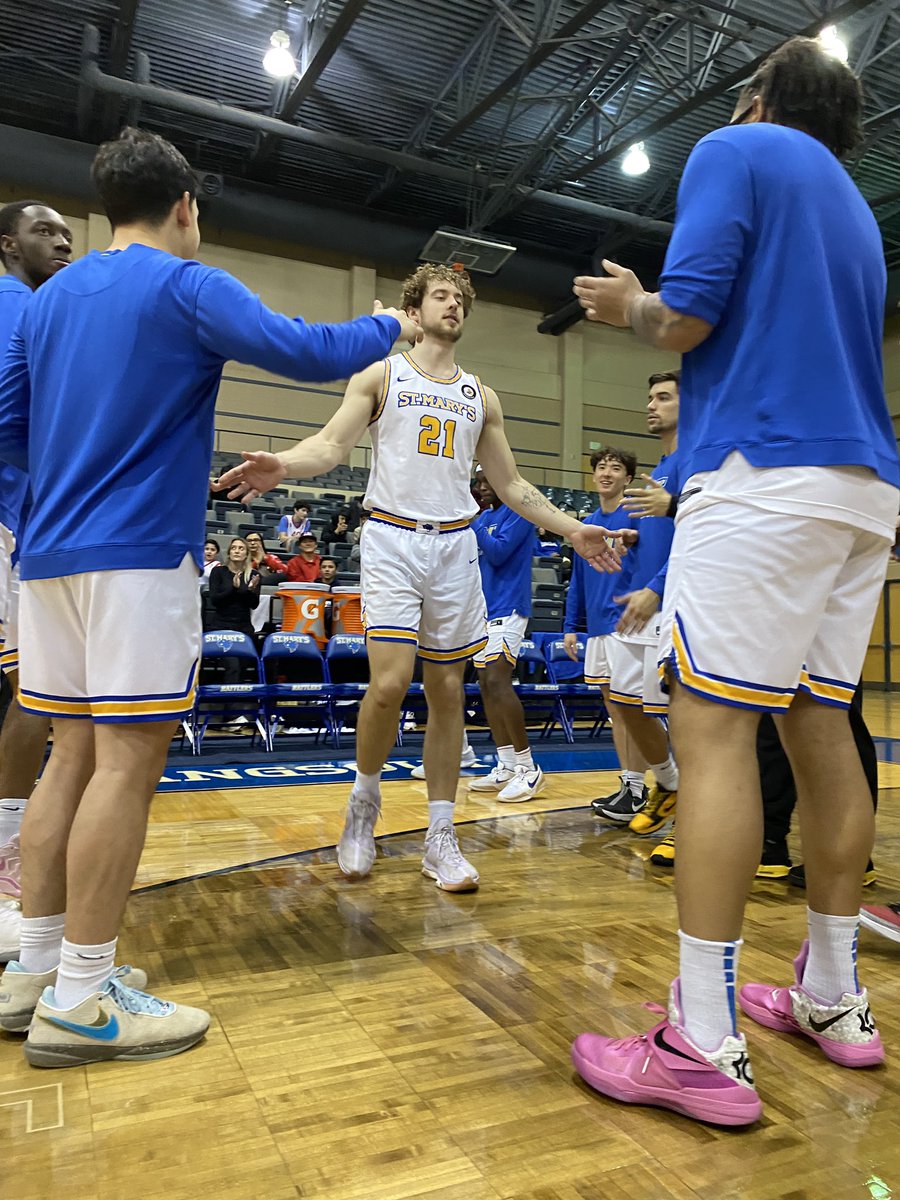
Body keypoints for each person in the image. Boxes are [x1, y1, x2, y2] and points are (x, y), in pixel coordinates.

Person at [0, 126, 421, 1068]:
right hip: (140, 554)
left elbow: (6, 423)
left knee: (67, 759)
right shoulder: (187, 284)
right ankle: (84, 998)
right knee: (123, 767)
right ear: (185, 207)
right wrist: (389, 327)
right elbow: (306, 350)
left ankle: (35, 969)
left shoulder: (49, 297)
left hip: (48, 554)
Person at [570, 37, 897, 1127]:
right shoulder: (856, 210)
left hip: (762, 473)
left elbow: (689, 318)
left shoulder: (735, 149)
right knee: (820, 724)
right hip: (864, 491)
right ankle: (832, 994)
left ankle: (701, 1041)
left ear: (758, 98)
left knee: (710, 733)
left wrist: (632, 307)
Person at [219, 262, 623, 894]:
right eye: (441, 295)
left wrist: (573, 529)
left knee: (447, 690)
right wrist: (285, 464)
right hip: (392, 537)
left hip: (455, 545)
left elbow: (512, 484)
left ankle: (440, 834)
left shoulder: (480, 395)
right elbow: (330, 446)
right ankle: (364, 801)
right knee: (388, 683)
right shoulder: (382, 374)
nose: (453, 304)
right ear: (415, 310)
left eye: (460, 298)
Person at [0, 200, 74, 965]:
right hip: (6, 519)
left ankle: (8, 861)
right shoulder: (16, 305)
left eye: (67, 235)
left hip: (21, 523)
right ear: (7, 243)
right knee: (28, 696)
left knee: (31, 696)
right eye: (44, 231)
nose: (61, 242)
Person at [600, 373, 682, 853]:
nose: (651, 405)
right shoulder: (664, 464)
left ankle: (690, 826)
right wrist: (637, 538)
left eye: (663, 397)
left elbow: (700, 531)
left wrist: (656, 587)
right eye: (650, 396)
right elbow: (670, 526)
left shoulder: (694, 458)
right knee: (626, 702)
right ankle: (670, 785)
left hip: (672, 602)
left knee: (684, 718)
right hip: (643, 600)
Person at [563, 447, 647, 821]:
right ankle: (630, 786)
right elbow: (578, 581)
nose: (607, 473)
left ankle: (641, 787)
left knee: (634, 710)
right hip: (597, 627)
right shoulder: (587, 524)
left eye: (615, 468)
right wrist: (571, 627)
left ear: (628, 478)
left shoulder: (637, 515)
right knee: (615, 710)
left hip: (627, 623)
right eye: (601, 467)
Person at [467, 467, 542, 802]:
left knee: (498, 680)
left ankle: (528, 767)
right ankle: (507, 764)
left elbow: (498, 553)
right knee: (486, 684)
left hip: (509, 605)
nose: (482, 487)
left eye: (488, 481)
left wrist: (471, 523)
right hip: (482, 609)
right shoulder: (483, 518)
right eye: (479, 482)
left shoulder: (520, 512)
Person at [207, 538, 261, 636]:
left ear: (247, 554)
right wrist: (234, 588)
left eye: (241, 548)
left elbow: (254, 605)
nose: (237, 551)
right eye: (233, 548)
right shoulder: (218, 571)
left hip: (243, 627)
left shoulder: (253, 575)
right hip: (220, 625)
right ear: (229, 553)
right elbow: (214, 601)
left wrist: (250, 590)